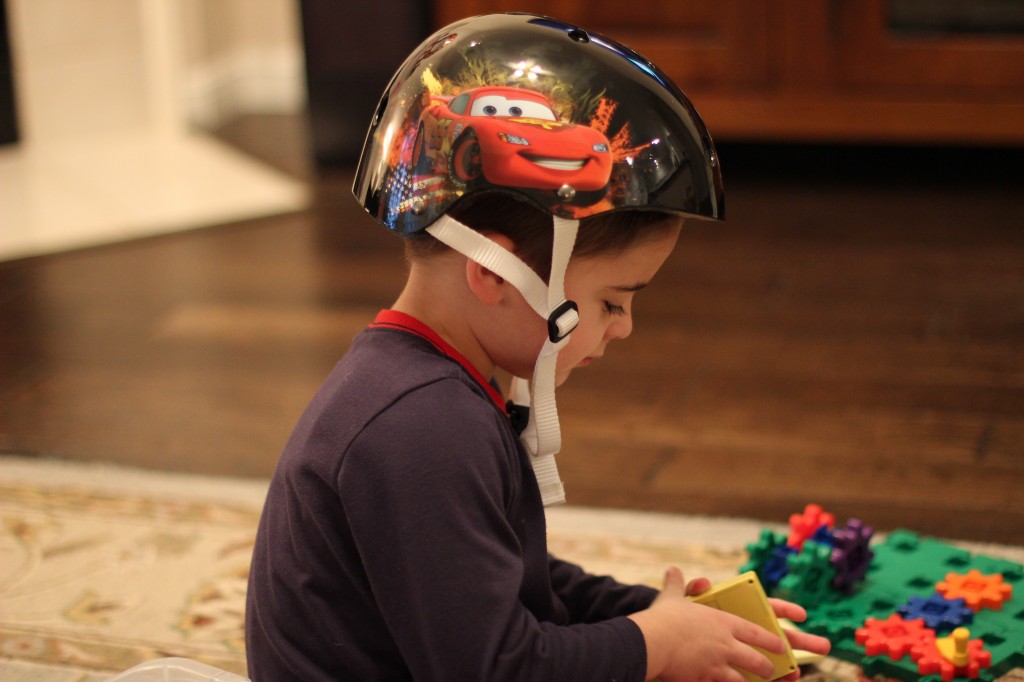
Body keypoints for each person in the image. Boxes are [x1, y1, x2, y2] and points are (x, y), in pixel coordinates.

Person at [245, 13, 830, 681]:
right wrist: (651, 645)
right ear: (496, 273)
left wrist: (653, 619)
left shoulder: (436, 386)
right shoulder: (419, 429)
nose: (626, 327)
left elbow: (508, 579)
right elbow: (499, 669)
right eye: (613, 301)